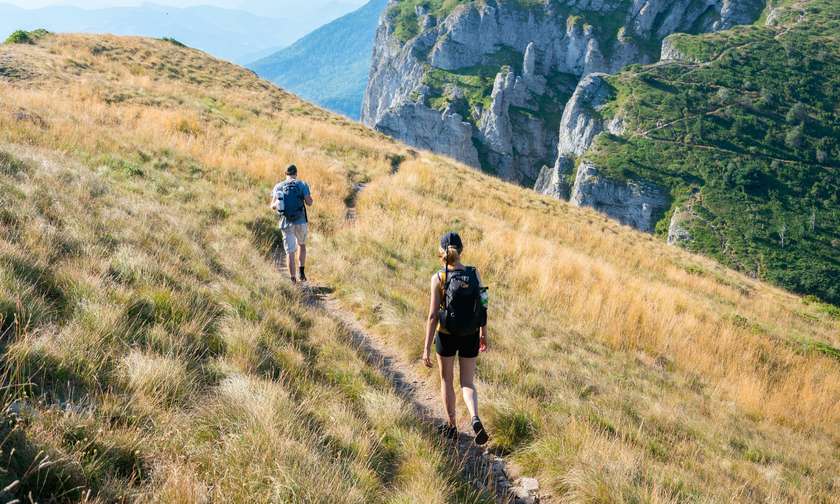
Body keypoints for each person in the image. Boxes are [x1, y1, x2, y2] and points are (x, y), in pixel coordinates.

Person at [422, 232, 490, 445]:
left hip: (446, 335)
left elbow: (433, 316)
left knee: (447, 381)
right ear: (461, 251)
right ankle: (474, 417)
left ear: (441, 251)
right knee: (467, 382)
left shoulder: (439, 277)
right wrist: (483, 334)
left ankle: (452, 426)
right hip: (470, 333)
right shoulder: (474, 273)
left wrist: (425, 348)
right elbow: (483, 306)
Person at [270, 164, 314, 283]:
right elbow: (309, 202)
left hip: (286, 222)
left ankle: (293, 279)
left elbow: (272, 206)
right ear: (296, 173)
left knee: (290, 252)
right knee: (302, 245)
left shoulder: (278, 186)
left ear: (286, 174)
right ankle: (302, 272)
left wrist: (278, 204)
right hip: (301, 221)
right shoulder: (302, 184)